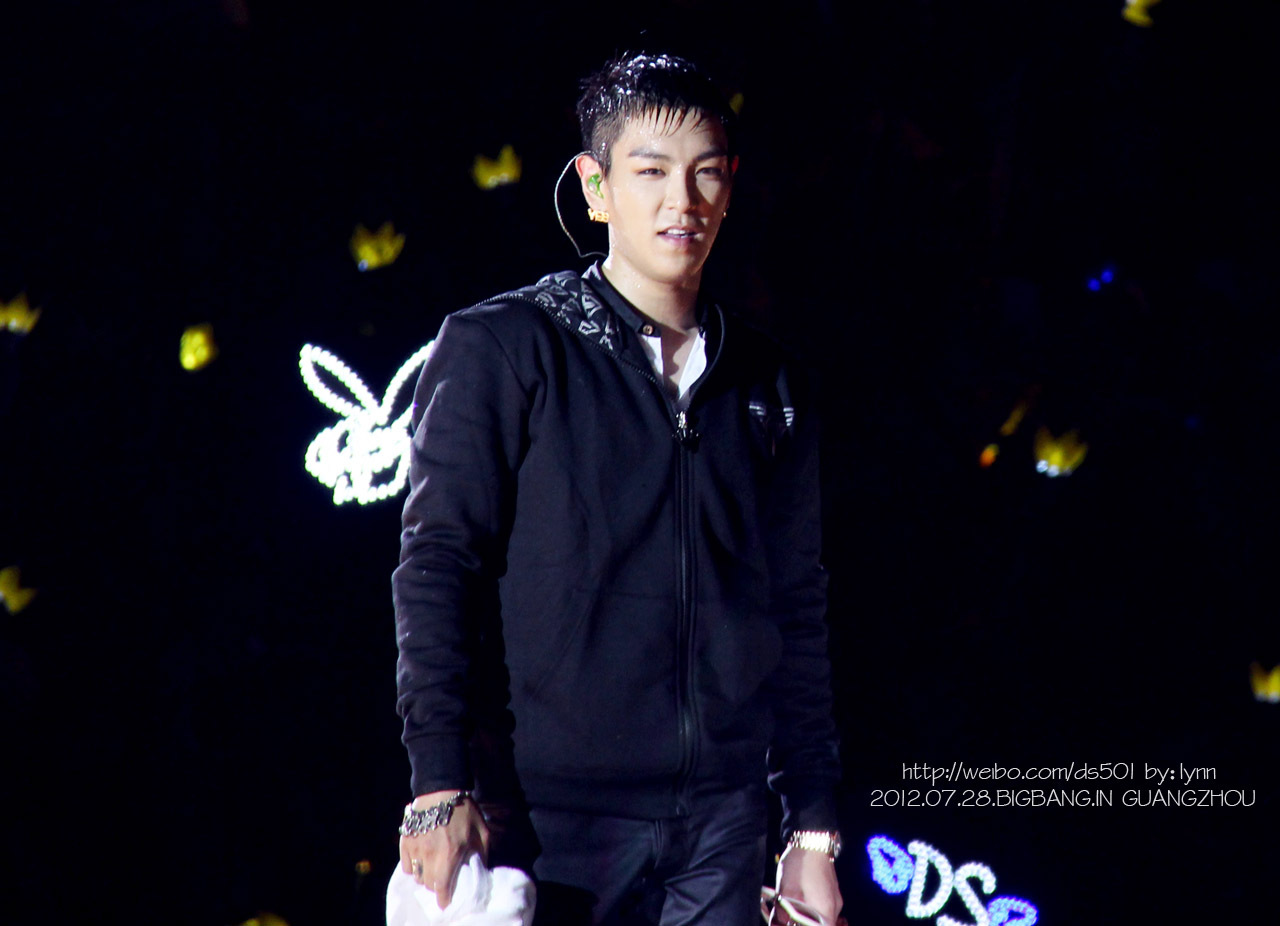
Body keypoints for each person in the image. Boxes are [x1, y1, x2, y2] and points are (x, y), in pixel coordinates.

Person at [392, 52, 843, 925]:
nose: (684, 201)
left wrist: (812, 831)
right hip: (549, 817)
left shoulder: (771, 381)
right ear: (596, 188)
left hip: (721, 825)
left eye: (706, 173)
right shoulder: (506, 348)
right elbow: (439, 565)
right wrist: (438, 783)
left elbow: (796, 604)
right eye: (651, 172)